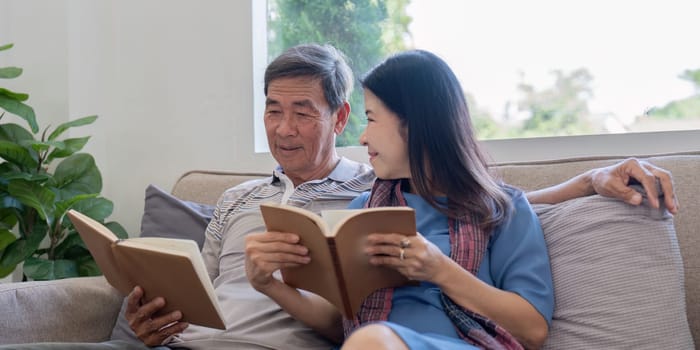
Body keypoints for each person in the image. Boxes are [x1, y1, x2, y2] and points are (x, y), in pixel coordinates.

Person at [124, 44, 678, 350]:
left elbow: (532, 329)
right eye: (273, 110)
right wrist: (273, 285)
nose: (361, 138)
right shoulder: (373, 209)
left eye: (369, 120)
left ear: (415, 127)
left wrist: (440, 269)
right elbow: (337, 318)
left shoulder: (501, 210)